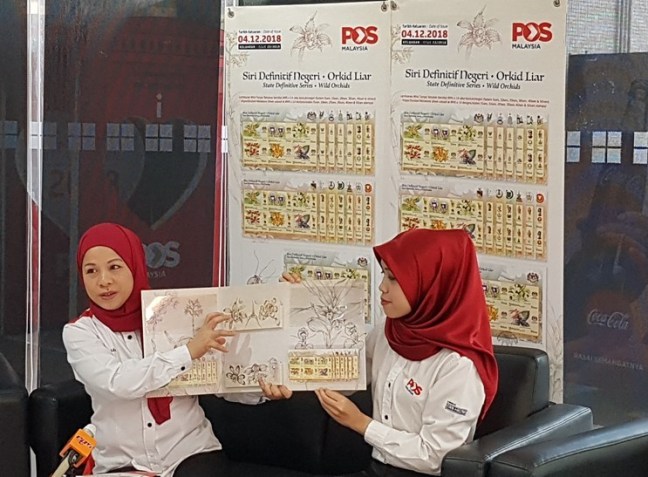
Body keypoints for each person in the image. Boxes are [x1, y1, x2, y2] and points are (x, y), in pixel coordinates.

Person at [63, 222, 291, 476]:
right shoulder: (80, 332)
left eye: (115, 267)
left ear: (135, 265)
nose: (104, 281)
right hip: (122, 464)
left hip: (190, 452)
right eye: (91, 271)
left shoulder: (175, 313)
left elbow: (218, 379)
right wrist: (188, 352)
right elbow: (117, 382)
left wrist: (262, 389)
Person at [284, 228, 498, 476]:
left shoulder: (458, 365)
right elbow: (342, 376)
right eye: (384, 275)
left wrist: (361, 423)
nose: (382, 287)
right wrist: (303, 306)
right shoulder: (389, 332)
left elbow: (435, 457)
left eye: (394, 278)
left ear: (431, 284)